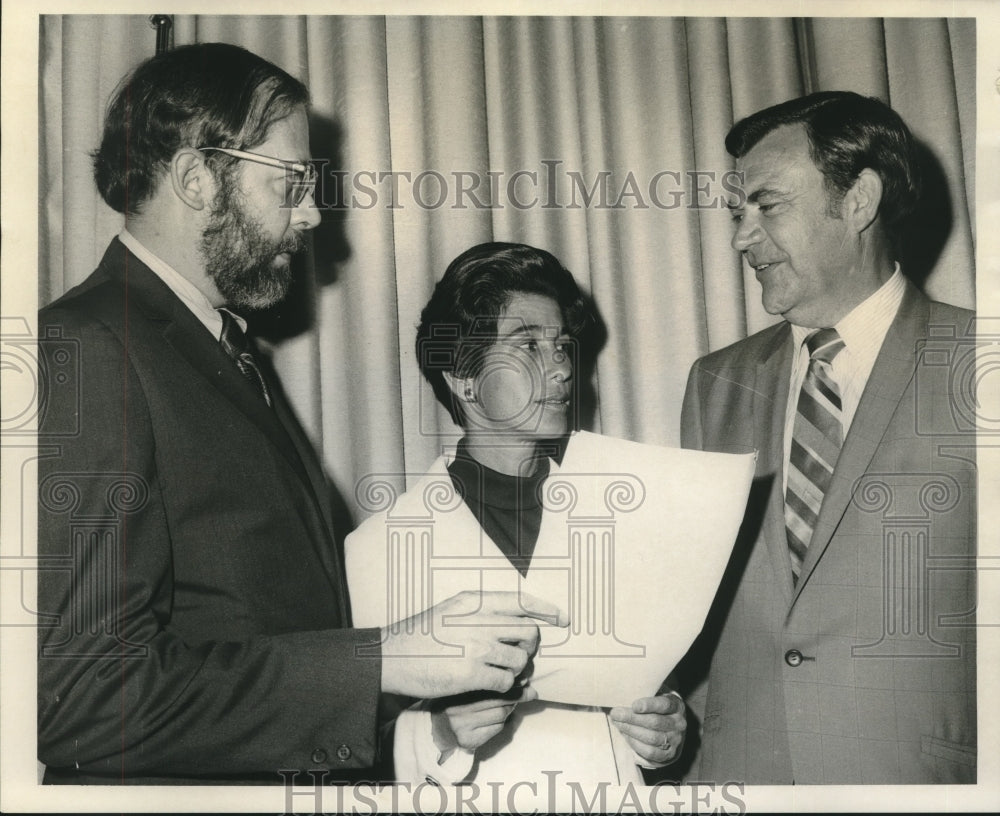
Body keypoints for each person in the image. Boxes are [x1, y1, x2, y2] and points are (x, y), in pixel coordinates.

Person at [36, 43, 564, 785]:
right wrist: (381, 658)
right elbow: (84, 699)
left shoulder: (220, 349)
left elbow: (255, 629)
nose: (312, 213)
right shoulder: (88, 346)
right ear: (194, 179)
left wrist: (411, 717)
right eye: (291, 183)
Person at [678, 91, 976, 784]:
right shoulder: (715, 384)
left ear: (859, 200)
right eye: (738, 213)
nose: (741, 237)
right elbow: (701, 615)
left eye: (767, 205)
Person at [345, 242, 686, 787]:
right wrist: (438, 734)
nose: (561, 368)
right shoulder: (379, 548)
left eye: (561, 345)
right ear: (463, 377)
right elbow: (354, 743)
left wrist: (663, 732)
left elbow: (653, 691)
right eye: (528, 345)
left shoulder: (622, 515)